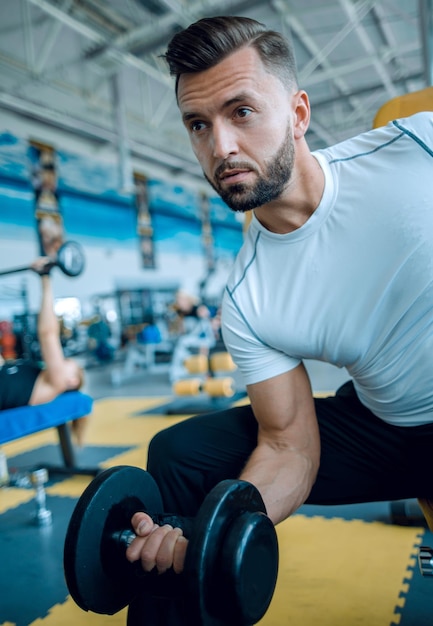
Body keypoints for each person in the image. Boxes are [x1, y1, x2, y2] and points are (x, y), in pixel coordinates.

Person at [125, 15, 433, 621]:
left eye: (241, 112)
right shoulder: (248, 297)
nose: (221, 148)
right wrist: (206, 534)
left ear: (297, 113)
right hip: (393, 431)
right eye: (198, 125)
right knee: (177, 454)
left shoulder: (415, 149)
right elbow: (289, 447)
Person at [0, 257, 86, 441]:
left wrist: (45, 278)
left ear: (71, 381)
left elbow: (47, 334)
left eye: (66, 363)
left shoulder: (54, 384)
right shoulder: (32, 370)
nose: (61, 359)